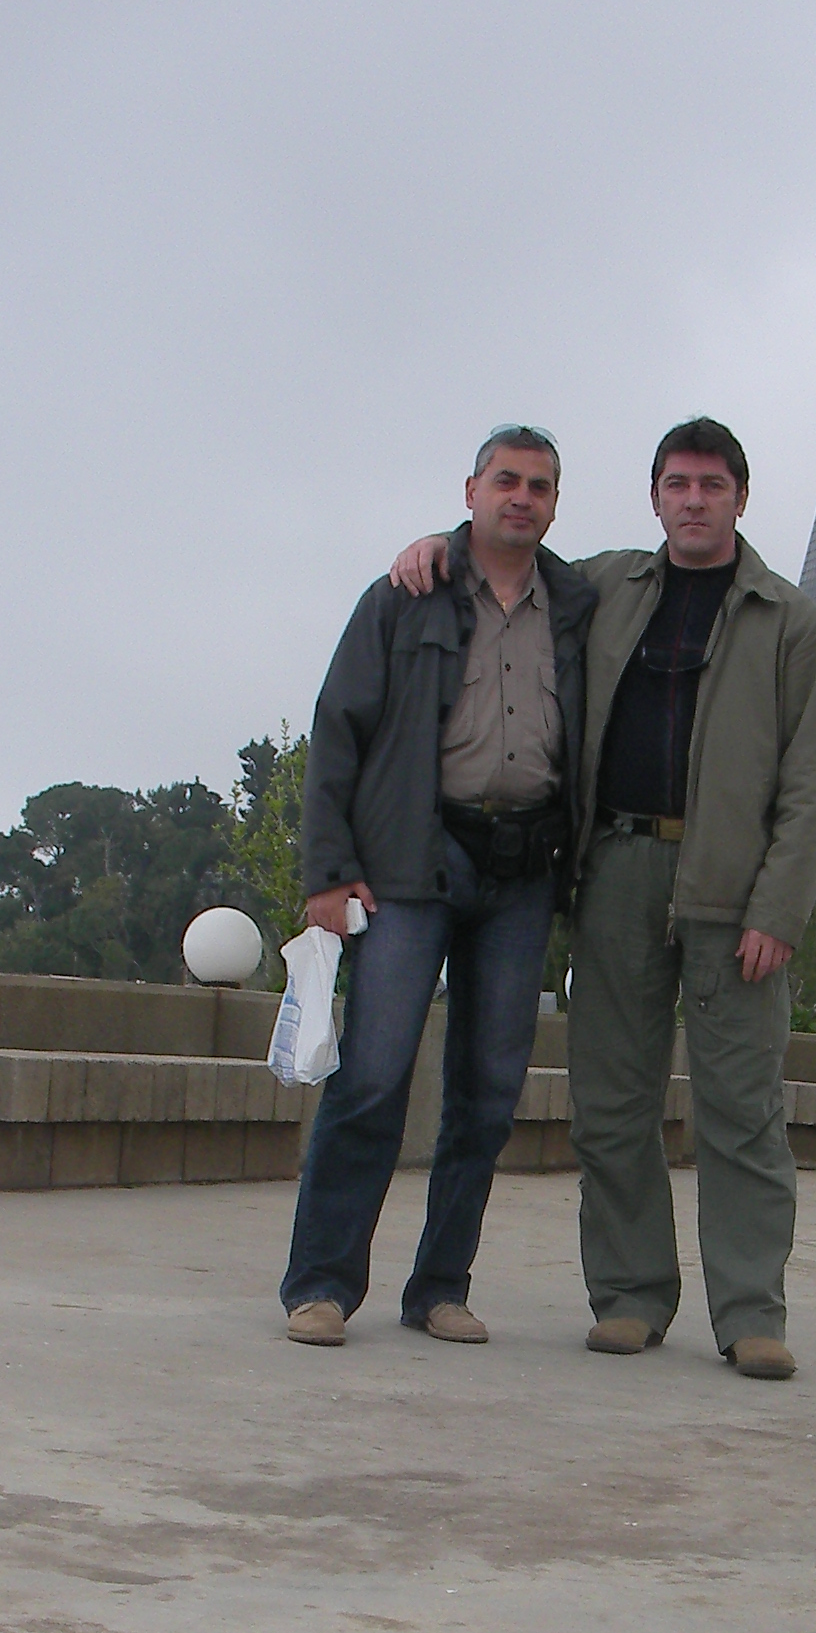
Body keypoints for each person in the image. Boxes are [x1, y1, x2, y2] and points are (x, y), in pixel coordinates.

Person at [392, 418, 816, 1379]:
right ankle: (631, 1296)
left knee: (741, 1110)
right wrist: (439, 544)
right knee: (610, 1103)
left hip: (732, 892)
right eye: (677, 484)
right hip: (617, 870)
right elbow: (506, 562)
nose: (693, 501)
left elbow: (810, 784)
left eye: (711, 486)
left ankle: (751, 1314)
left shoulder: (788, 621)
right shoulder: (605, 587)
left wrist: (780, 910)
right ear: (655, 497)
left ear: (741, 499)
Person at [279, 427, 596, 1346]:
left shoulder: (578, 604)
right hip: (412, 861)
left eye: (540, 486)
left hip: (523, 869)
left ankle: (440, 1288)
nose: (522, 498)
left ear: (555, 504)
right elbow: (338, 727)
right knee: (374, 1076)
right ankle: (322, 1285)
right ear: (471, 491)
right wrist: (327, 872)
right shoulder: (405, 593)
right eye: (507, 481)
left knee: (488, 1093)